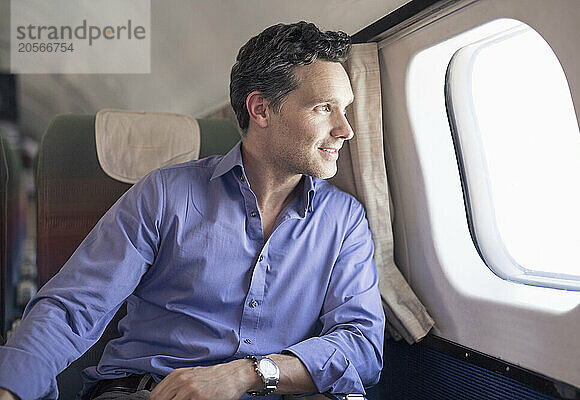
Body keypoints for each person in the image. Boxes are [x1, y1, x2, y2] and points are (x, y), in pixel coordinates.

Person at [0, 21, 385, 400]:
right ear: (262, 110)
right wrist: (10, 387)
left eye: (346, 109)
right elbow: (74, 306)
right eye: (324, 108)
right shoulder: (165, 193)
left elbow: (363, 346)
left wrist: (247, 374)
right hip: (151, 390)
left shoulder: (344, 220)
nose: (346, 129)